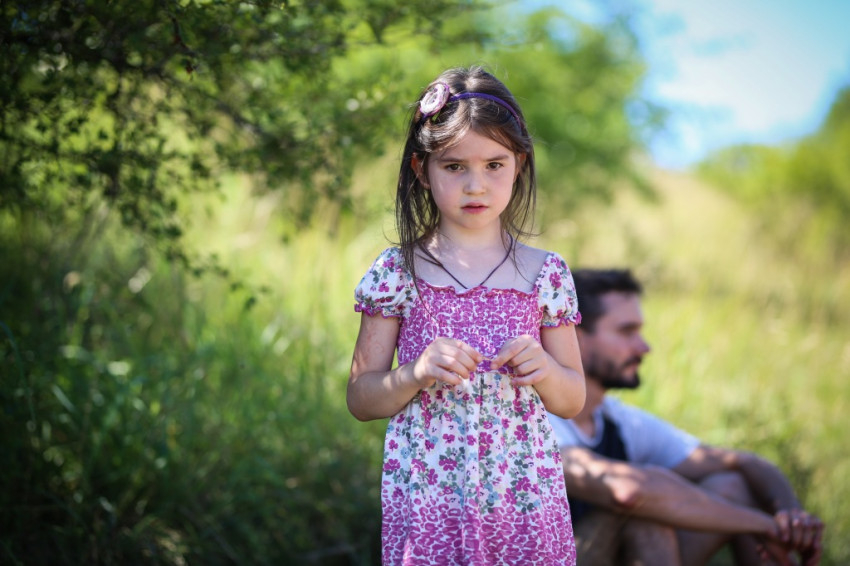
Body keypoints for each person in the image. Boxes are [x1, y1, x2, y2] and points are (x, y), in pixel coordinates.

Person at [348, 66, 586, 565]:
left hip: (523, 498)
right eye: (455, 166)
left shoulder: (545, 273)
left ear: (519, 164)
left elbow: (572, 399)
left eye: (494, 164)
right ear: (422, 170)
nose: (476, 185)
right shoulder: (398, 271)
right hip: (431, 500)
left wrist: (545, 368)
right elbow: (362, 398)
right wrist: (415, 373)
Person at [547, 268, 824, 566]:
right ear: (576, 339)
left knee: (731, 486)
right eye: (627, 331)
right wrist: (762, 525)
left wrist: (790, 517)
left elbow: (739, 461)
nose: (644, 347)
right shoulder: (536, 421)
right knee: (645, 518)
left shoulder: (617, 420)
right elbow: (629, 491)